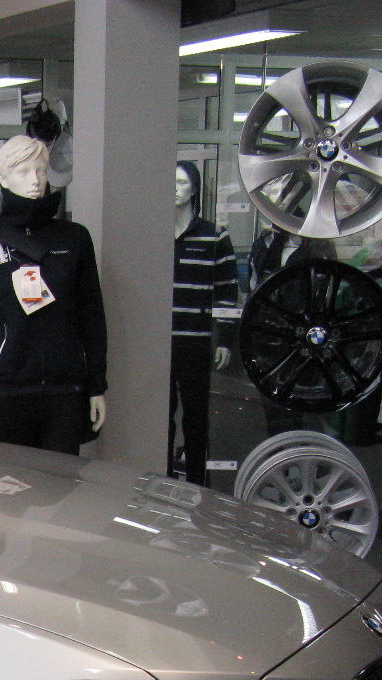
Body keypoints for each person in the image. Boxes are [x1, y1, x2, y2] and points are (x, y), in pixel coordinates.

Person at [0, 135, 107, 454]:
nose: (35, 180)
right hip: (6, 390)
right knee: (9, 493)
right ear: (3, 178)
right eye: (24, 171)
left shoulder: (74, 238)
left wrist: (96, 385)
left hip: (63, 390)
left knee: (60, 493)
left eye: (41, 170)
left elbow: (92, 316)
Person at [170, 160, 238, 487]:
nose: (175, 188)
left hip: (195, 342)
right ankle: (163, 482)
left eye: (182, 182)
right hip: (160, 343)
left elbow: (226, 294)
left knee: (196, 419)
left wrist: (225, 339)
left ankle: (198, 485)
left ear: (194, 189)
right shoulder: (153, 238)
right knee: (161, 419)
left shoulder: (214, 236)